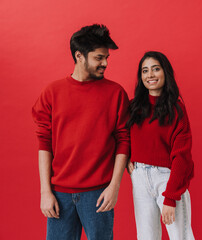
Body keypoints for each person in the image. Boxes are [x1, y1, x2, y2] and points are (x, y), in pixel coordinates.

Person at [32, 24, 130, 240]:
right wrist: (45, 191)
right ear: (79, 56)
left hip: (99, 194)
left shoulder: (116, 93)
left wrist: (114, 187)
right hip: (59, 194)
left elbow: (124, 140)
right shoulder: (52, 93)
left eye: (106, 58)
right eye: (99, 58)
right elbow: (44, 143)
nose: (105, 63)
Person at [126, 51, 195, 240]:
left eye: (156, 69)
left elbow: (182, 155)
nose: (150, 75)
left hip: (167, 177)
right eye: (145, 71)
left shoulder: (176, 109)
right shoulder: (133, 107)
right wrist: (127, 161)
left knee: (180, 236)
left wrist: (170, 197)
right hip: (139, 177)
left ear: (165, 72)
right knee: (146, 237)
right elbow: (122, 138)